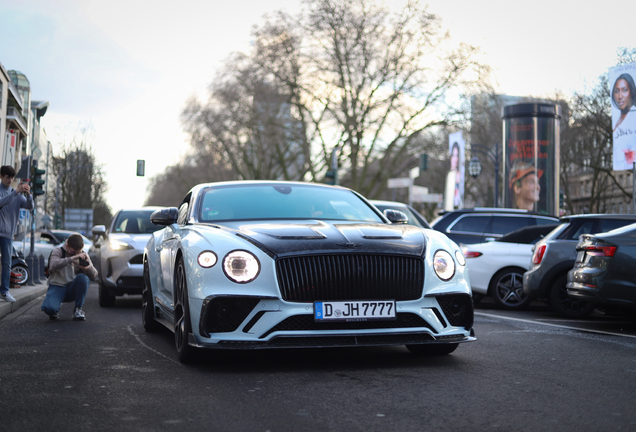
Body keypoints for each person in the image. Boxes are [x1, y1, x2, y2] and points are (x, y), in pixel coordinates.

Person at [41, 233, 98, 320]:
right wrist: (72, 258)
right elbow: (53, 265)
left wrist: (88, 268)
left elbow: (94, 275)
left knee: (83, 278)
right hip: (57, 286)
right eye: (73, 252)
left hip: (72, 288)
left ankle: (78, 309)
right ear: (67, 245)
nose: (75, 254)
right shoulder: (58, 251)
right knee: (49, 309)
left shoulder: (83, 255)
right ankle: (54, 307)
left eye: (78, 252)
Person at [0, 165, 33, 303]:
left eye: (12, 177)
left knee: (7, 264)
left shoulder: (17, 194)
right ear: (1, 176)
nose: (10, 180)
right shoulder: (11, 193)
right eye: (8, 177)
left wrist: (28, 194)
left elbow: (30, 207)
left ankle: (4, 291)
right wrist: (16, 192)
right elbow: (2, 202)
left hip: (8, 234)